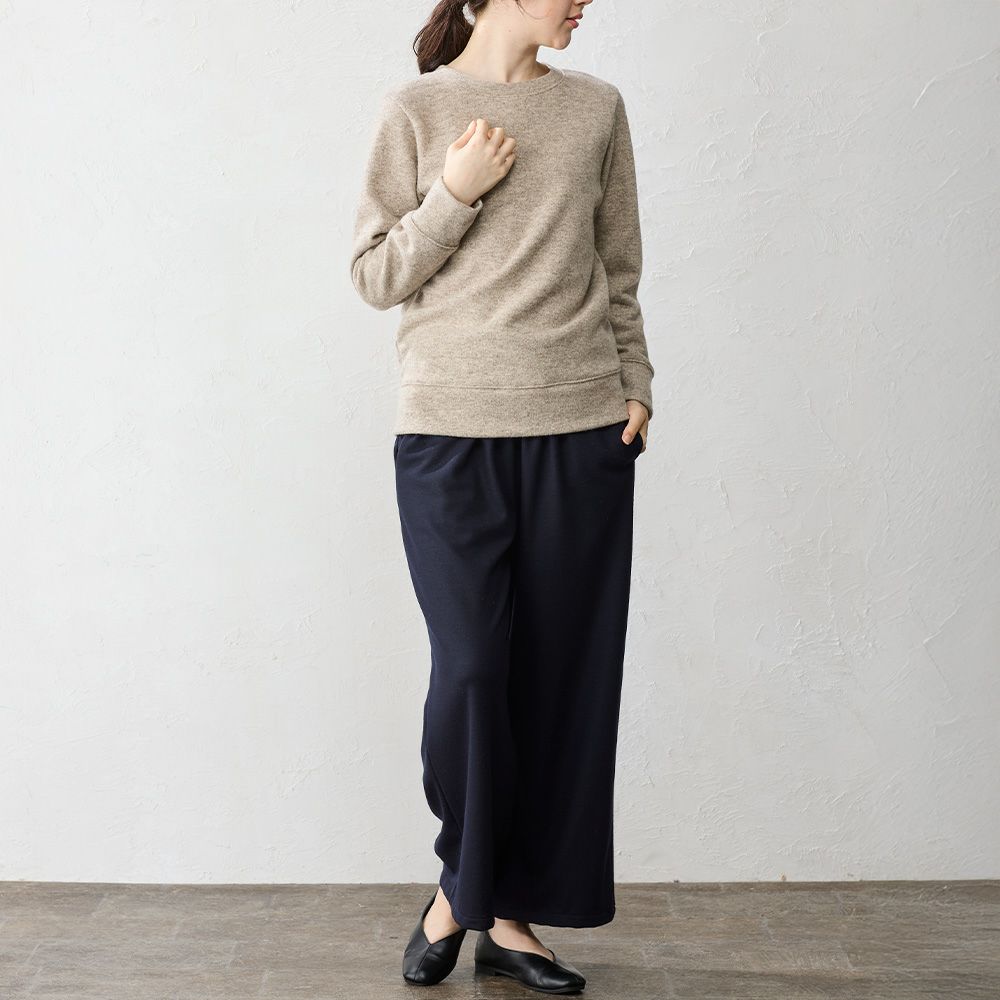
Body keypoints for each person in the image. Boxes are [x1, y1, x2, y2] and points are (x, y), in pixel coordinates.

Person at [349, 0, 654, 992]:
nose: (584, 2)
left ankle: (503, 916)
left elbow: (617, 267)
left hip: (582, 428)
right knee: (474, 671)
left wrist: (637, 382)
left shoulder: (597, 108)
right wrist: (454, 193)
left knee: (560, 684)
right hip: (450, 433)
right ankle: (462, 887)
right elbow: (375, 275)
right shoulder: (414, 110)